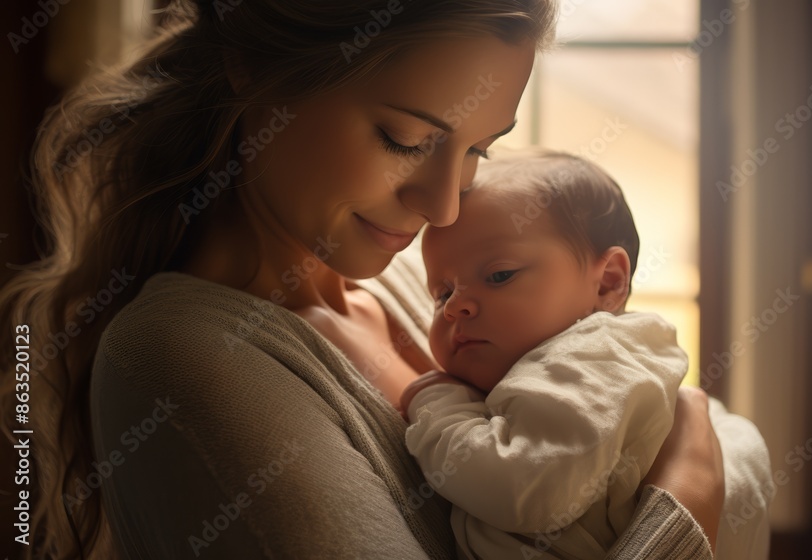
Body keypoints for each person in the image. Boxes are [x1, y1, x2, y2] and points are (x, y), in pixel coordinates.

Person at [0, 0, 770, 558]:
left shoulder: (409, 277)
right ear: (256, 70)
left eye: (478, 151)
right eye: (406, 139)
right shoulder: (180, 363)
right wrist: (686, 507)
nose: (443, 205)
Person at [401, 152, 771, 560]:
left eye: (499, 275)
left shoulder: (594, 357)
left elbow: (524, 486)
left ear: (607, 283)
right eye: (442, 293)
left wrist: (437, 404)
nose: (455, 307)